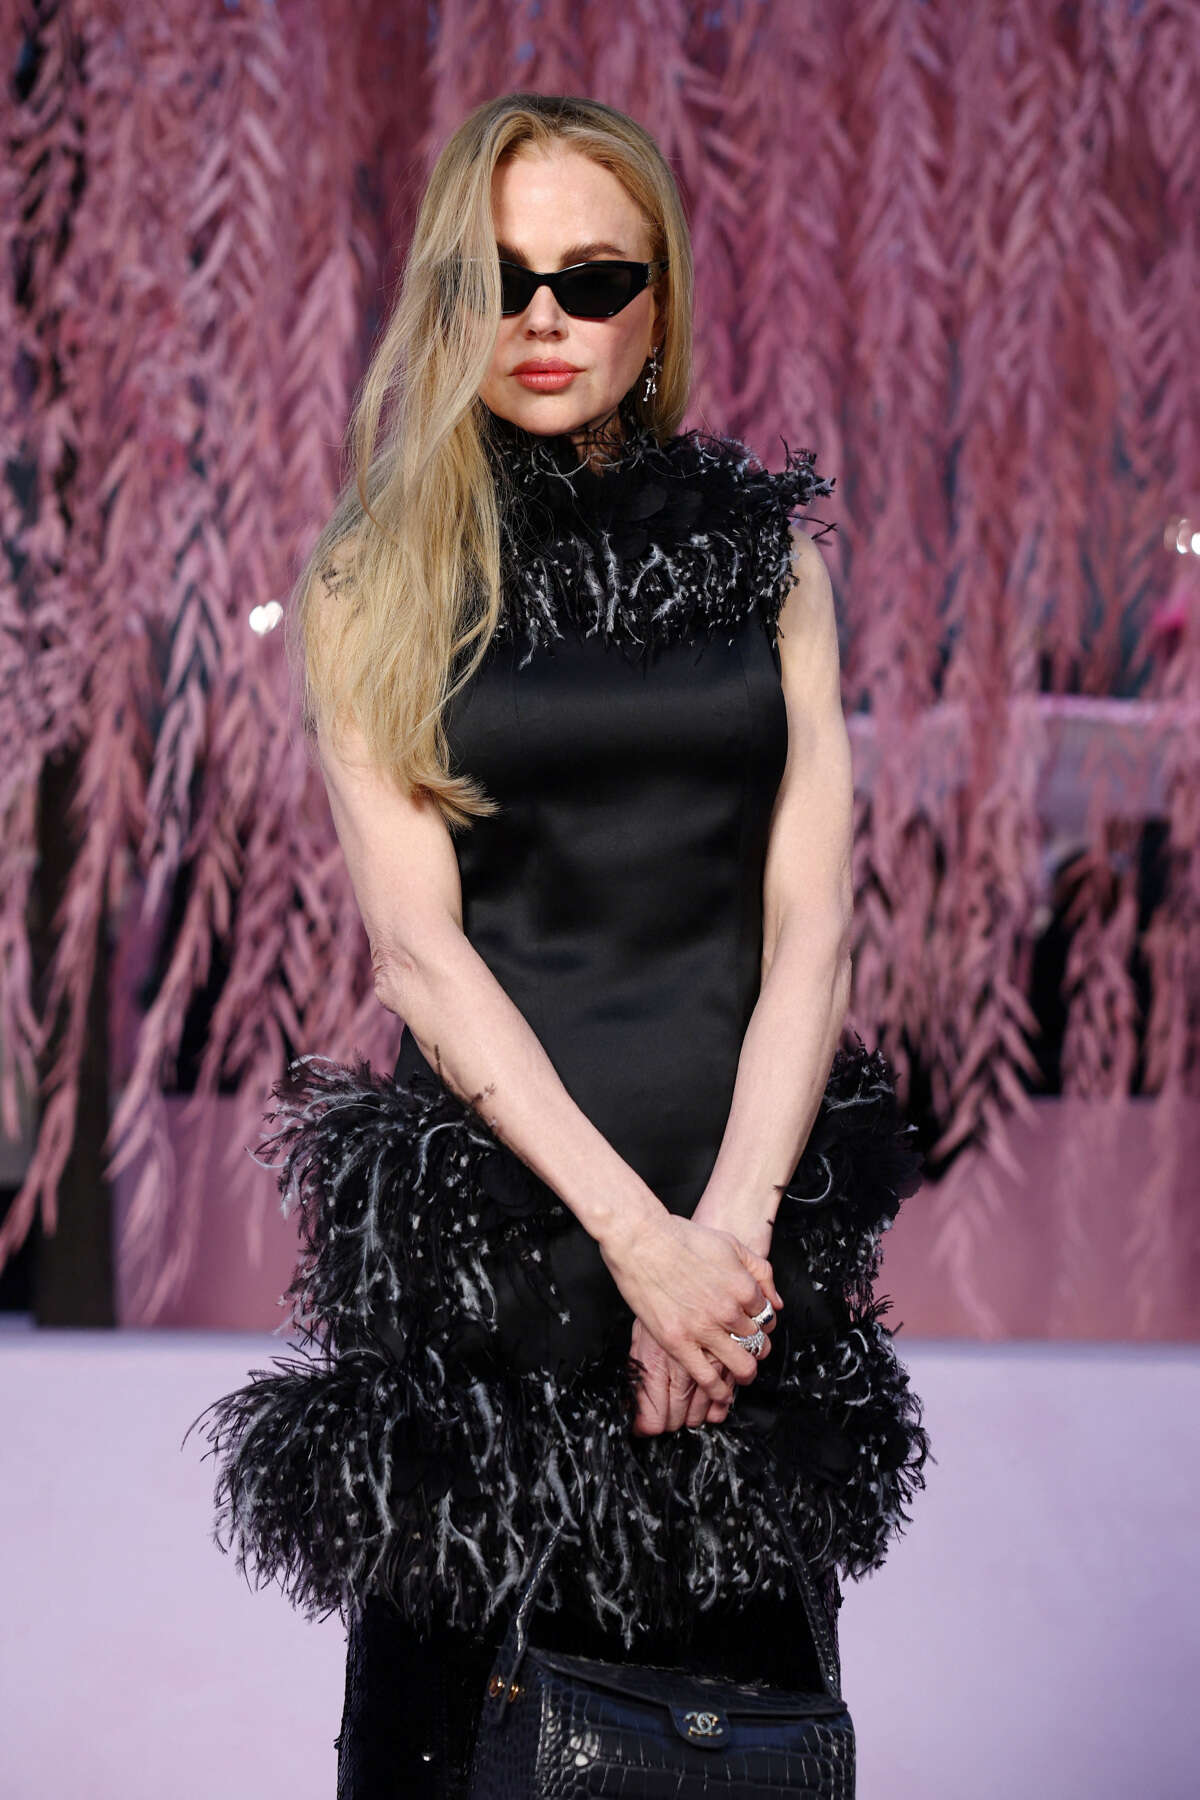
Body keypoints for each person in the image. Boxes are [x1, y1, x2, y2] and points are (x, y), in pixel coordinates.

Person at [191, 91, 930, 1798]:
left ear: (658, 302)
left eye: (592, 281)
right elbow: (419, 957)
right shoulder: (377, 579)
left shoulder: (771, 568)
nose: (544, 319)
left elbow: (812, 922)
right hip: (501, 1266)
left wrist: (722, 1246)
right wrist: (637, 1246)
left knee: (738, 1749)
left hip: (741, 1268)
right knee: (455, 1747)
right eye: (500, 279)